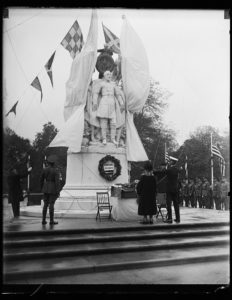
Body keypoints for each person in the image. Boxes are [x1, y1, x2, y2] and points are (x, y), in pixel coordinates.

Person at [92, 70, 124, 146]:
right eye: (107, 74)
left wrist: (121, 103)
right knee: (104, 122)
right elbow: (95, 93)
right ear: (104, 76)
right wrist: (95, 103)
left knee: (113, 123)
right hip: (104, 102)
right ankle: (104, 139)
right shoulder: (101, 84)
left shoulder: (113, 84)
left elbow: (118, 95)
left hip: (112, 103)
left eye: (110, 74)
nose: (109, 76)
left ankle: (113, 139)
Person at [40, 155, 61, 225]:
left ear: (48, 163)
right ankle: (51, 221)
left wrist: (42, 188)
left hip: (46, 188)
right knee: (51, 204)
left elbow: (41, 180)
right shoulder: (56, 170)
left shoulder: (44, 169)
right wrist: (58, 191)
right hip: (52, 188)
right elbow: (57, 182)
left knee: (45, 204)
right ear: (54, 163)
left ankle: (43, 220)